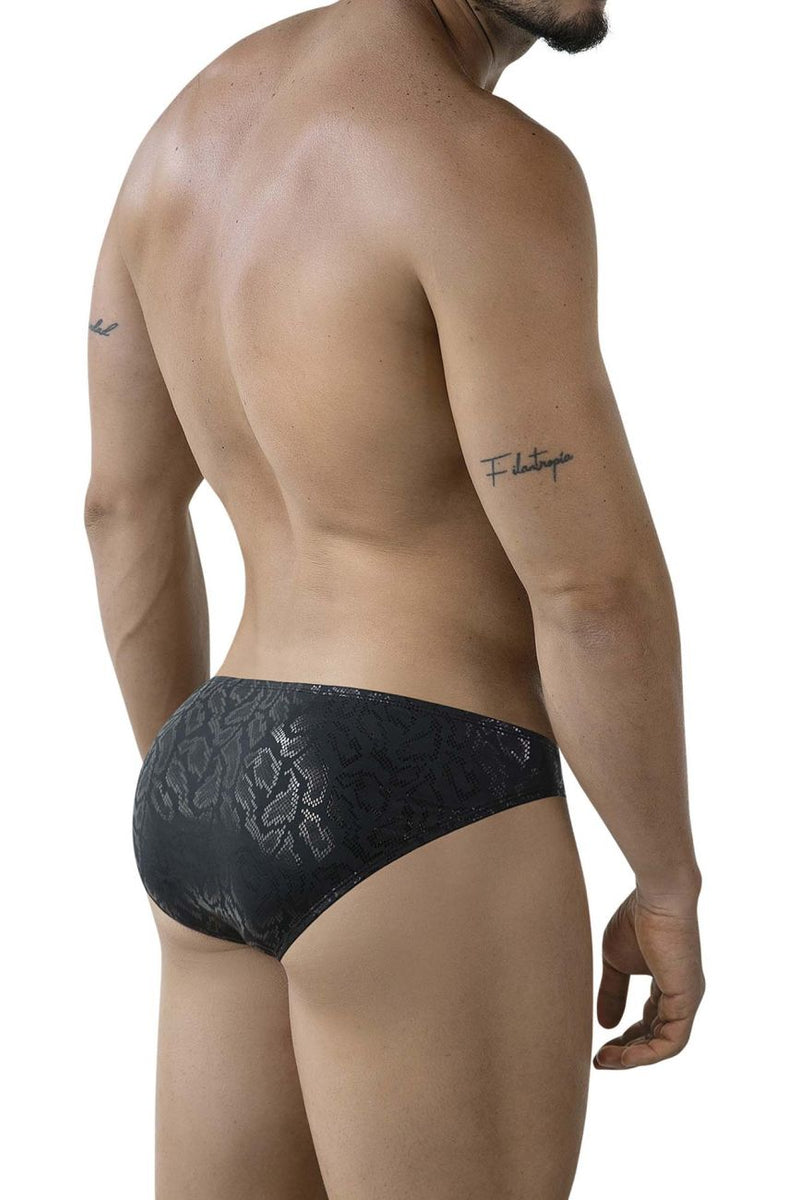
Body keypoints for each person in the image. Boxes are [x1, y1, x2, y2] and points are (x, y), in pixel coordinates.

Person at [84, 1, 705, 1196]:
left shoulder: (178, 144)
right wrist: (666, 879)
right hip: (423, 785)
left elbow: (121, 509)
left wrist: (208, 793)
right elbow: (589, 586)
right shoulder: (479, 161)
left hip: (205, 775)